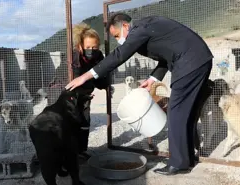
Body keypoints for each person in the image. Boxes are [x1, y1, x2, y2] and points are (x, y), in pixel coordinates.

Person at [65, 13, 213, 175]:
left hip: (189, 63)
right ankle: (186, 158)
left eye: (116, 35)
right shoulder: (149, 27)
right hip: (197, 60)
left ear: (126, 26)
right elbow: (166, 57)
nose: (118, 40)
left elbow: (119, 55)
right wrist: (152, 79)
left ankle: (179, 163)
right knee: (186, 113)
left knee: (176, 112)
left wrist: (86, 76)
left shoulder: (140, 29)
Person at [69, 23, 112, 160]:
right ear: (80, 46)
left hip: (84, 94)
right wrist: (81, 92)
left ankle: (81, 151)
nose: (91, 50)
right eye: (87, 47)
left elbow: (100, 75)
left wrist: (106, 86)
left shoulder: (98, 56)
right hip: (64, 91)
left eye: (94, 47)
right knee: (68, 122)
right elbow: (74, 78)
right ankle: (66, 154)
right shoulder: (75, 56)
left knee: (85, 121)